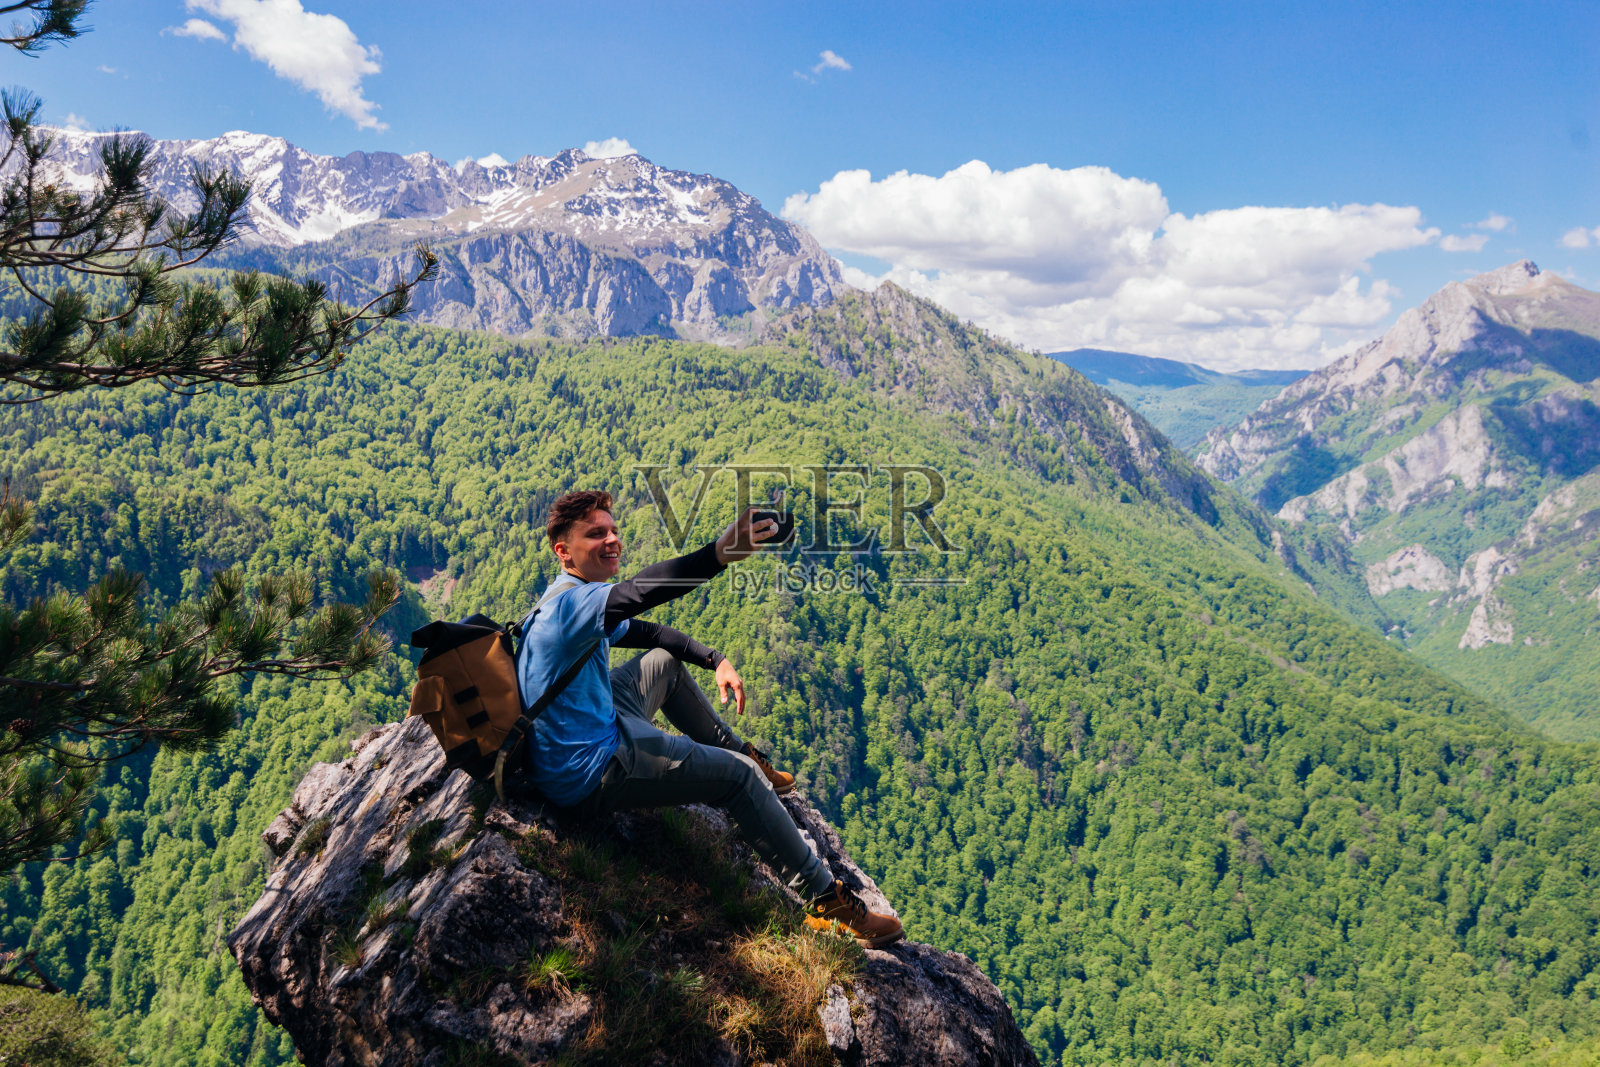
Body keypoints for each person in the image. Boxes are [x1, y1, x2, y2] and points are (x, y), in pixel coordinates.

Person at [515, 489, 903, 948]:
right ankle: (827, 902)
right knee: (736, 781)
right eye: (595, 534)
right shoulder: (571, 607)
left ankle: (743, 754)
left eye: (614, 529)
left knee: (662, 661)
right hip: (591, 768)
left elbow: (650, 634)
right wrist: (718, 555)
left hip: (588, 724)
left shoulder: (570, 595)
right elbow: (645, 589)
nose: (612, 540)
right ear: (564, 551)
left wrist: (714, 658)